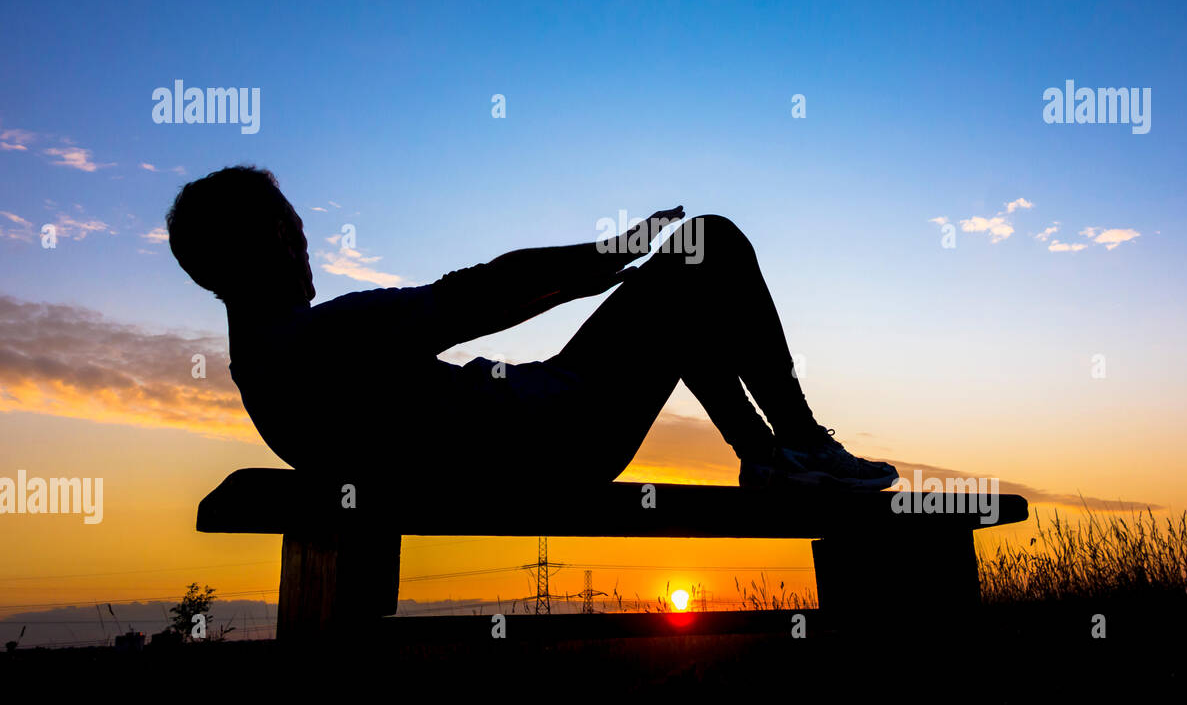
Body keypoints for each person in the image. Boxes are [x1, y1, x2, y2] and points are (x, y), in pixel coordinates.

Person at [166, 165, 897, 491]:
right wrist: (609, 252)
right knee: (710, 240)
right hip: (561, 429)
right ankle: (793, 442)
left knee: (679, 293)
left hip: (544, 417)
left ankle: (772, 460)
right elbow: (482, 294)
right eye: (294, 230)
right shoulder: (319, 339)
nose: (305, 245)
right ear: (268, 244)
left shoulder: (262, 370)